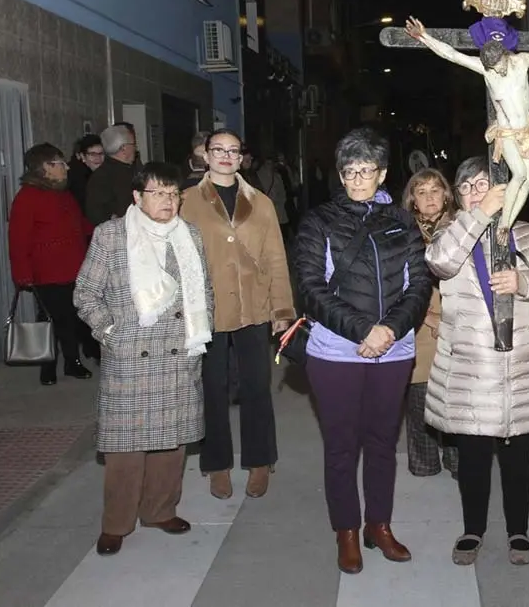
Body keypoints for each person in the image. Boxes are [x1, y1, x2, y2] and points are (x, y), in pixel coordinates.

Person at [294, 128, 432, 574]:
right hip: (336, 352)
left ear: (382, 174)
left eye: (366, 171)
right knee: (341, 446)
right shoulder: (318, 221)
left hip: (394, 349)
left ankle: (379, 524)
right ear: (340, 175)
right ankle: (346, 531)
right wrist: (363, 331)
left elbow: (420, 284)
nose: (357, 180)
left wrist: (389, 328)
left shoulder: (403, 221)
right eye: (349, 172)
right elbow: (311, 288)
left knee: (382, 444)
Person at [425, 156, 529, 566]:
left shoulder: (526, 233)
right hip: (471, 369)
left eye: (483, 185)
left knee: (516, 454)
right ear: (457, 197)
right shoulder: (451, 232)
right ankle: (473, 529)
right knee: (473, 455)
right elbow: (440, 262)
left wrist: (524, 282)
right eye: (466, 187)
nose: (475, 192)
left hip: (519, 367)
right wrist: (479, 215)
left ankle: (518, 530)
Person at [73, 161, 212, 557]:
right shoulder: (112, 235)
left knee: (171, 443)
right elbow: (85, 294)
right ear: (137, 197)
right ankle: (116, 523)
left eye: (173, 194)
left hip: (178, 352)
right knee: (125, 448)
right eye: (157, 193)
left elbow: (205, 289)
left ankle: (160, 510)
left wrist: (201, 331)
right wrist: (110, 333)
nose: (168, 201)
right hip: (130, 355)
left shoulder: (189, 235)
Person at [180, 130, 295, 501]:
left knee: (256, 387)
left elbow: (276, 256)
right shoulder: (186, 201)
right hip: (207, 310)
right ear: (205, 154)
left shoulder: (259, 202)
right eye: (219, 149)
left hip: (253, 306)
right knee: (212, 389)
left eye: (233, 150)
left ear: (242, 156)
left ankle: (260, 461)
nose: (226, 156)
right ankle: (217, 464)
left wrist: (282, 309)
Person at [405, 15, 529, 235]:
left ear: (505, 55)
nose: (496, 71)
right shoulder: (487, 70)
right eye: (491, 68)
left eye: (498, 66)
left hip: (525, 130)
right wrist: (424, 37)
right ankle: (504, 225)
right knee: (519, 175)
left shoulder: (521, 62)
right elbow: (451, 54)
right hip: (506, 131)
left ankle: (508, 222)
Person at [9, 143, 97, 385]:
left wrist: (103, 230)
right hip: (47, 272)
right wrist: (22, 274)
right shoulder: (27, 198)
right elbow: (18, 240)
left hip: (75, 267)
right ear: (46, 167)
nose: (66, 167)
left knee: (73, 317)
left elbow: (80, 224)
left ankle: (70, 362)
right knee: (54, 319)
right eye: (60, 163)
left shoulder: (64, 194)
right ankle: (49, 364)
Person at [402, 168, 459, 477]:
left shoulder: (463, 227)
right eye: (421, 192)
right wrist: (425, 316)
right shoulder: (402, 233)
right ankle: (424, 461)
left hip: (457, 322)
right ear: (413, 199)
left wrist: (447, 317)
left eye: (435, 190)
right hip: (418, 324)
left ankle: (457, 459)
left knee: (456, 396)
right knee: (420, 398)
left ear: (446, 194)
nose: (429, 197)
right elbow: (396, 283)